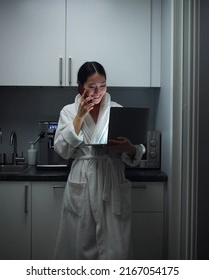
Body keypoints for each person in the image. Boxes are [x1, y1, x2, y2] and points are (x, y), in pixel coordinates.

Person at [53, 61, 146, 259]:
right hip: (83, 180)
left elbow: (135, 152)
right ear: (80, 86)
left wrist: (127, 147)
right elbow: (62, 150)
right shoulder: (68, 111)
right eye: (92, 87)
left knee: (116, 248)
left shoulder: (116, 109)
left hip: (111, 180)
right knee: (81, 244)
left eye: (102, 86)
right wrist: (79, 116)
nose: (97, 92)